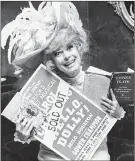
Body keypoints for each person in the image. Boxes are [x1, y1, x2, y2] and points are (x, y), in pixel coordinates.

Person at [1, 1, 126, 161]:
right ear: (51, 60)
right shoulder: (41, 87)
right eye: (58, 53)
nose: (67, 56)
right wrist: (22, 134)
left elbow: (114, 119)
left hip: (95, 156)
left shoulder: (101, 82)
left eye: (70, 47)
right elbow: (28, 136)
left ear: (79, 48)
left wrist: (117, 112)